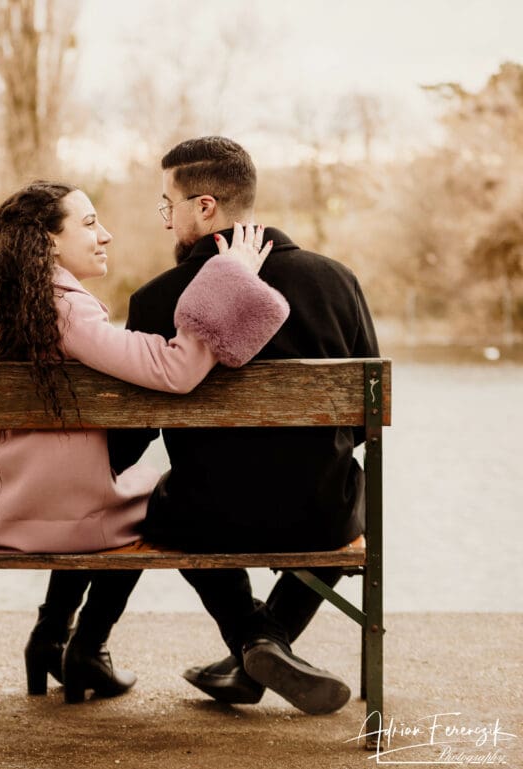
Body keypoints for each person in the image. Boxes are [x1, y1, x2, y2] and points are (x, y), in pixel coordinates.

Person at [0, 181, 289, 703]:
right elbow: (176, 370)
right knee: (163, 505)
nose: (105, 234)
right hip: (39, 515)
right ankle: (248, 636)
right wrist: (230, 275)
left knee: (133, 492)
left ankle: (58, 639)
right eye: (88, 223)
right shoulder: (64, 310)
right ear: (49, 241)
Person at [108, 136, 380, 716]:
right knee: (353, 489)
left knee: (162, 503)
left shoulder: (157, 298)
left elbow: (133, 435)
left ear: (204, 207)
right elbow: (361, 427)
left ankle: (252, 639)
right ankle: (266, 643)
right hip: (321, 518)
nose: (166, 221)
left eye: (168, 206)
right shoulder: (337, 283)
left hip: (208, 519)